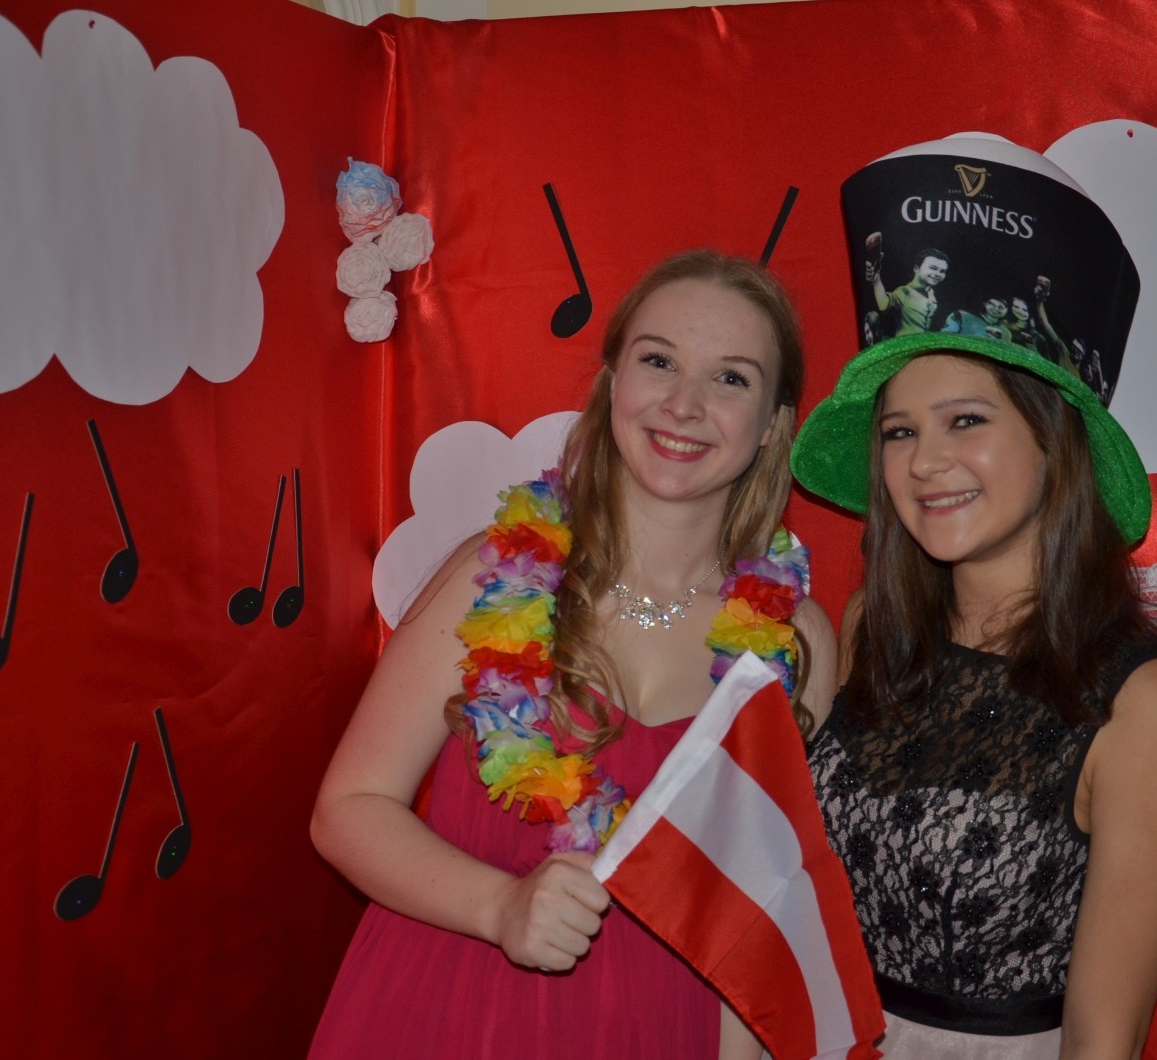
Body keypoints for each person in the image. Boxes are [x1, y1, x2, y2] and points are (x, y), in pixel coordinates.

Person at [308, 249, 835, 1059]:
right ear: (613, 381)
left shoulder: (797, 639)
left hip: (666, 1033)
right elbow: (348, 808)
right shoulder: (494, 577)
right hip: (451, 1016)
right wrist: (500, 908)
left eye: (730, 378)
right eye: (658, 361)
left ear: (771, 423)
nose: (684, 404)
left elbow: (764, 912)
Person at [792, 135, 1157, 1059]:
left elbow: (1105, 1038)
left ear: (1054, 443)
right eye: (900, 431)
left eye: (966, 421)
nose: (924, 462)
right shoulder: (872, 629)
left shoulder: (1144, 701)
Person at [869, 246, 950, 336]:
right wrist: (876, 279)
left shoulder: (932, 294)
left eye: (942, 271)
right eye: (933, 268)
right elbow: (883, 304)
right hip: (905, 342)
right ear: (916, 268)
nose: (938, 274)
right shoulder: (905, 292)